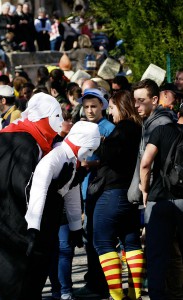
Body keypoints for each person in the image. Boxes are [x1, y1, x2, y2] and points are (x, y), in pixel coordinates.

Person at [0, 92, 65, 300]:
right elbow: (27, 188)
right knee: (10, 281)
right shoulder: (28, 143)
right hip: (8, 221)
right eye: (56, 116)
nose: (61, 122)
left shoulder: (6, 134)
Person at [25, 121, 101, 299]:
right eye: (89, 149)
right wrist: (33, 226)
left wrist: (76, 227)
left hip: (51, 219)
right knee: (26, 273)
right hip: (36, 220)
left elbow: (72, 192)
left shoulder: (71, 160)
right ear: (82, 143)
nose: (89, 155)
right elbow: (39, 188)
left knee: (41, 268)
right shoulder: (56, 157)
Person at [90, 90, 143, 300]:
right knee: (131, 242)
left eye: (111, 107)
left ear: (121, 106)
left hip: (112, 192)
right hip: (130, 194)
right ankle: (134, 293)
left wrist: (101, 144)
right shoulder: (139, 128)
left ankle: (117, 296)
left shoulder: (123, 129)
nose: (110, 113)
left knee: (103, 241)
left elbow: (111, 155)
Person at [75, 88, 115, 299]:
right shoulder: (82, 127)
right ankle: (95, 281)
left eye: (94, 106)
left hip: (101, 189)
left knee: (99, 240)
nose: (90, 110)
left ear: (102, 107)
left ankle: (101, 284)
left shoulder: (108, 129)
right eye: (87, 106)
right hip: (85, 190)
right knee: (90, 238)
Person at [139, 105, 183, 300]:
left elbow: (146, 162)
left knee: (157, 254)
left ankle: (157, 296)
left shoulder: (161, 130)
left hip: (160, 199)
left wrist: (145, 190)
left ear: (178, 114)